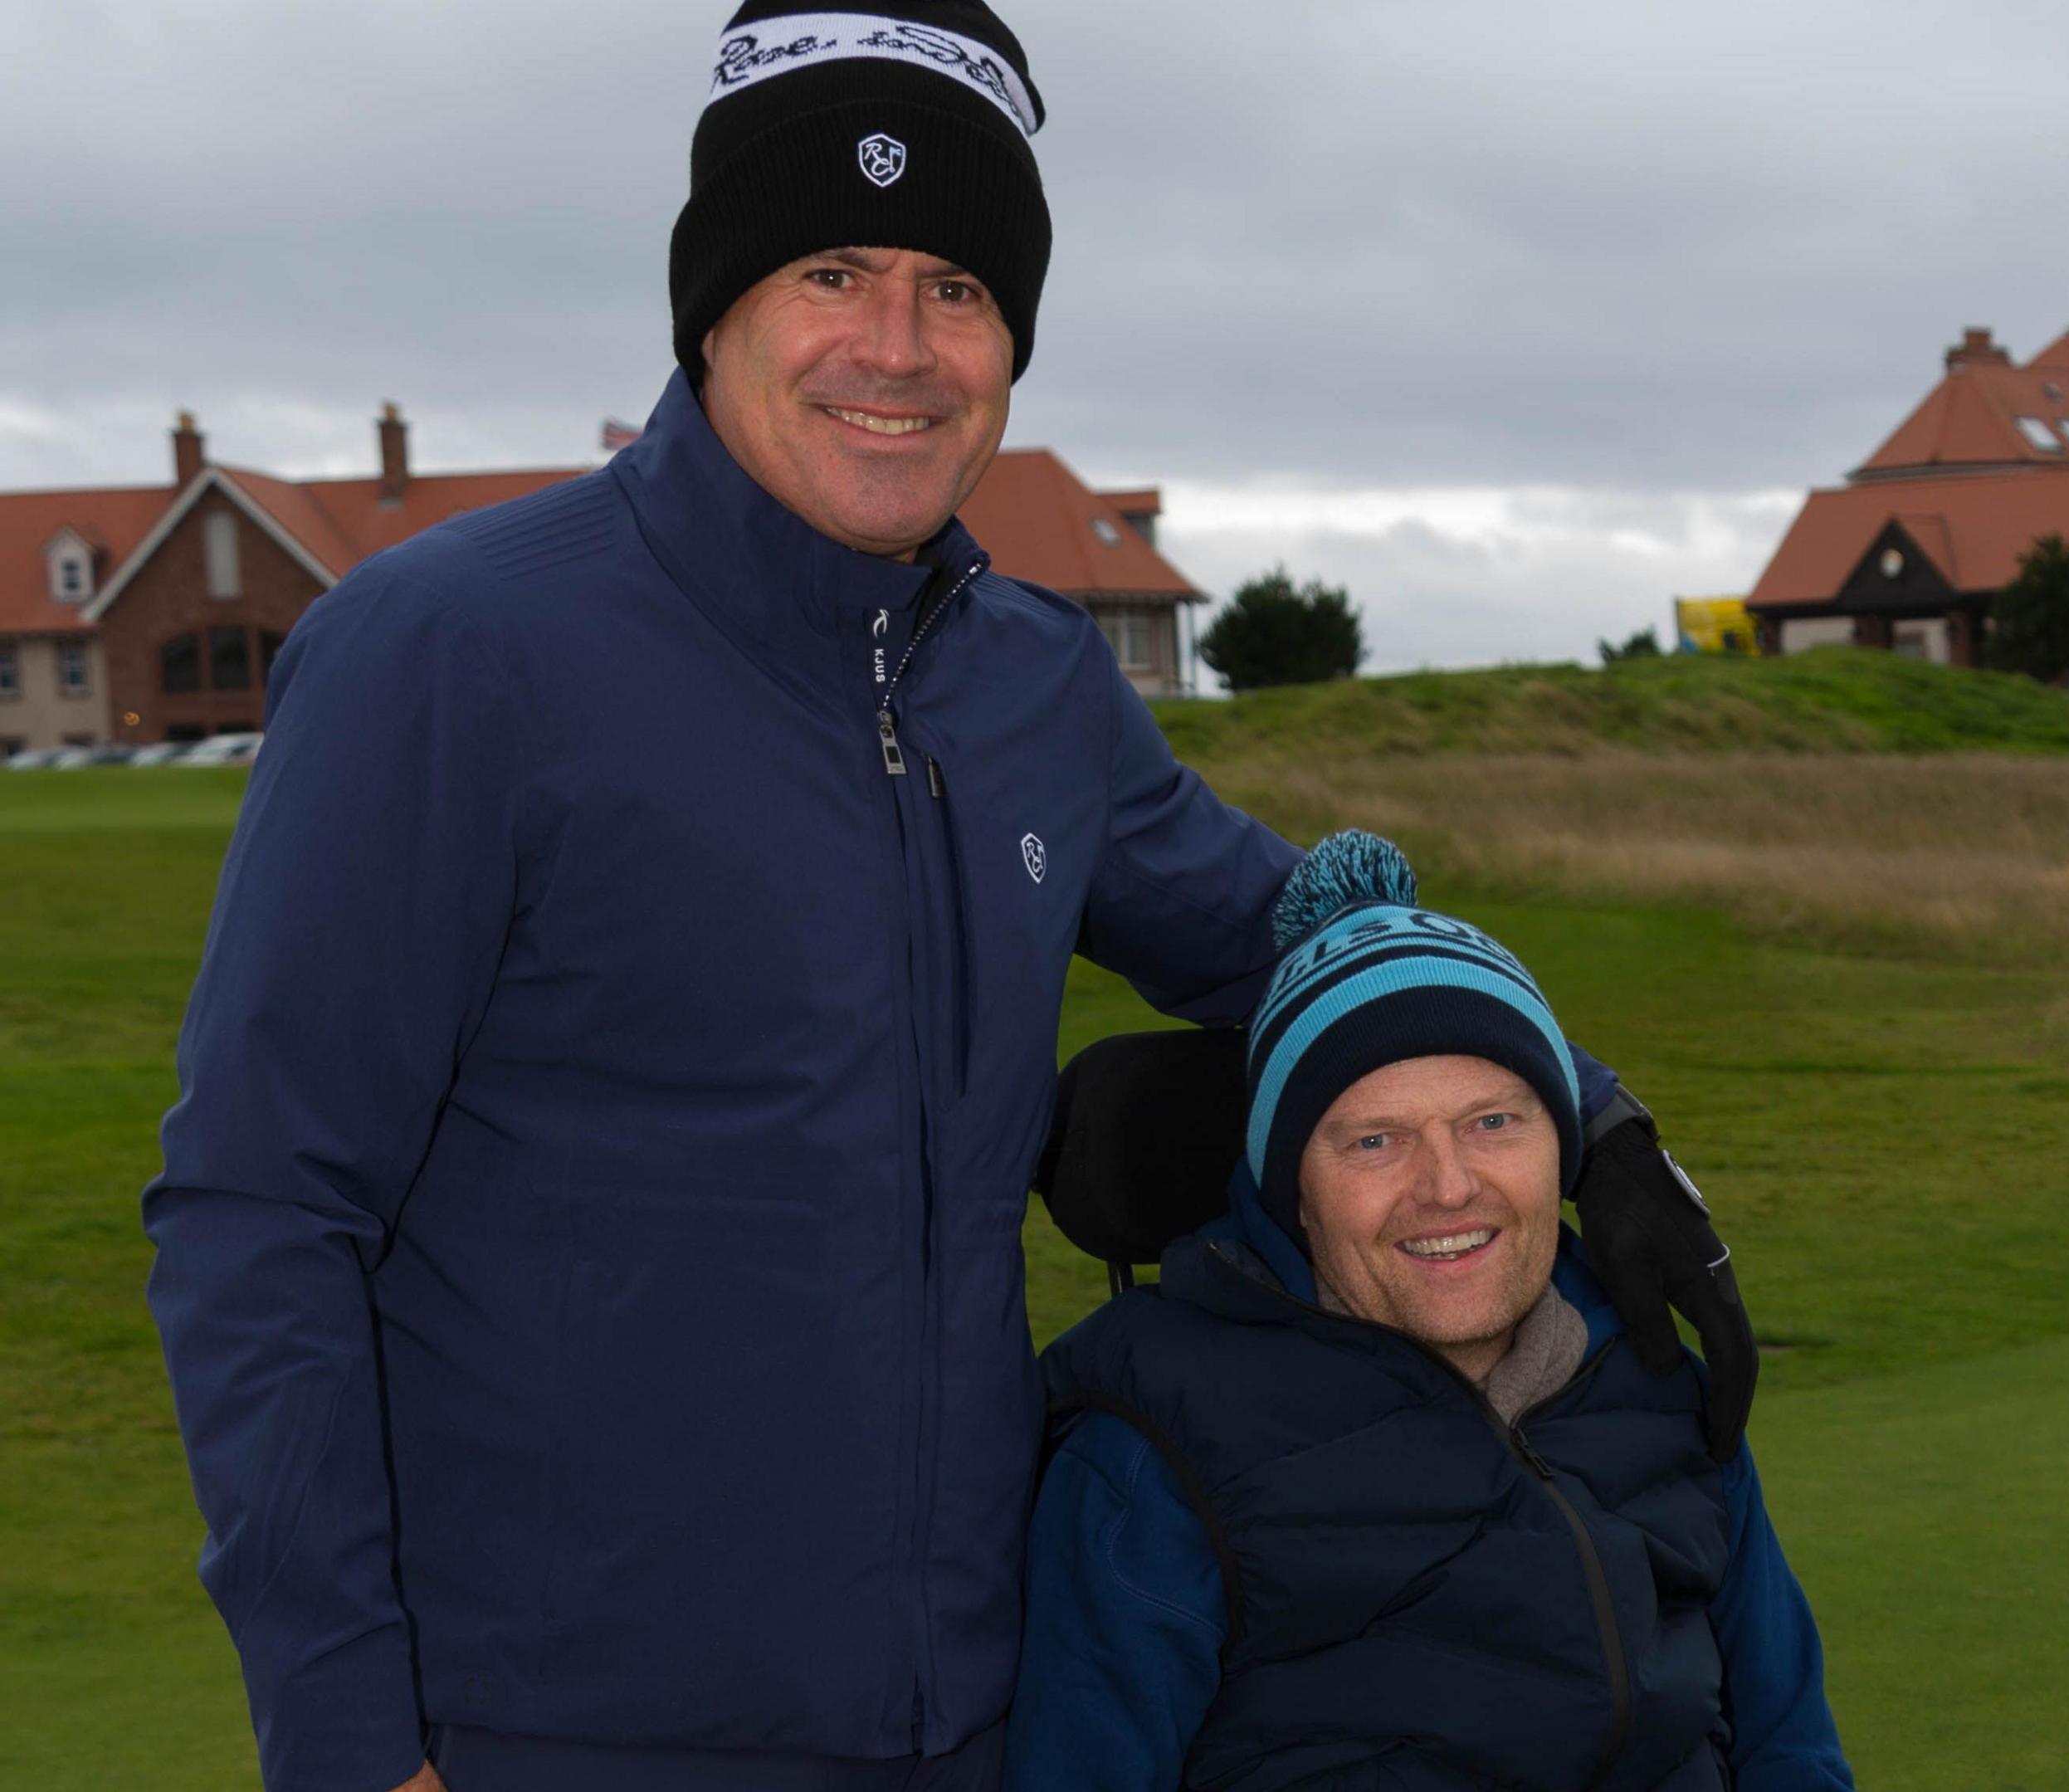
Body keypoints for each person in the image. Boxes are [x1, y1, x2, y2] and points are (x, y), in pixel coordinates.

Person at [139, 8, 1750, 1790]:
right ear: (718, 303)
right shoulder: (449, 654)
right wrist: (353, 1737)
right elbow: (259, 1207)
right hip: (554, 1730)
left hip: (974, 1718)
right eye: (833, 268)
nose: (896, 347)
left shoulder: (1038, 684)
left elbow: (1323, 945)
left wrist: (1592, 1115)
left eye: (959, 288)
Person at [1013, 834, 1852, 1791]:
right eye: (1376, 1139)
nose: (1449, 1186)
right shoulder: (1153, 1449)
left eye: (1495, 1121)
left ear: (1563, 1145)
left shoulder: (1654, 1379)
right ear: (1293, 1188)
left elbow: (1790, 1742)